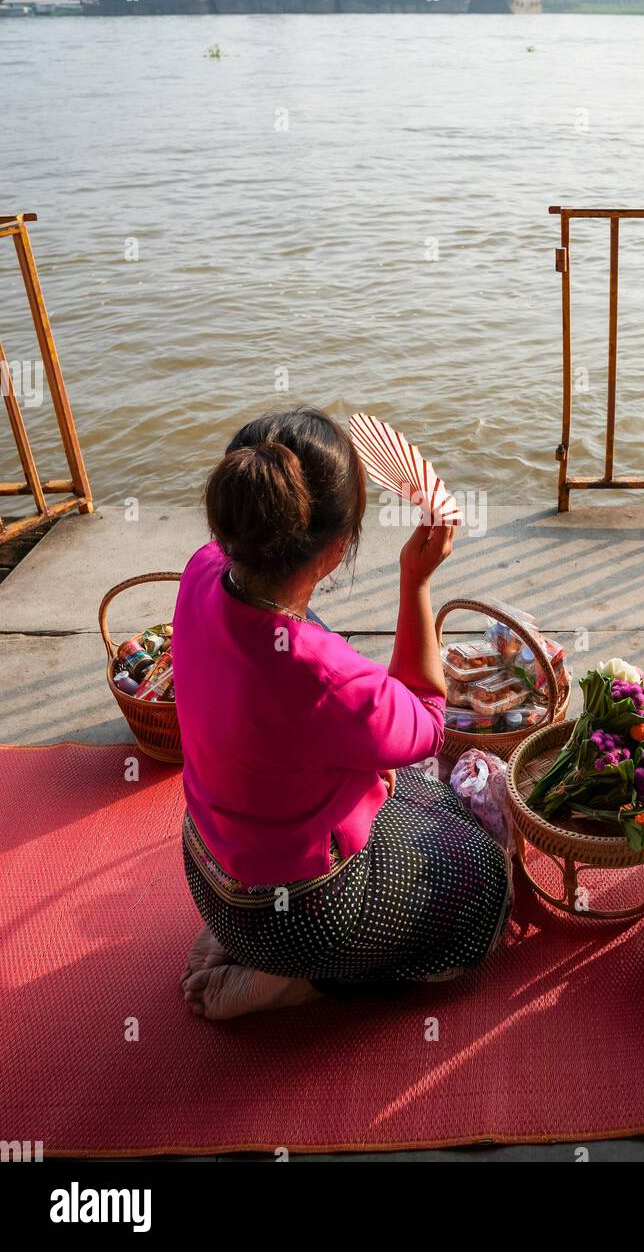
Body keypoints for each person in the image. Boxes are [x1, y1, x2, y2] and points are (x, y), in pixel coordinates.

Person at [173, 407, 512, 1020]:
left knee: (390, 774)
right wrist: (415, 581)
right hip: (296, 916)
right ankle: (298, 979)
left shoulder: (200, 571)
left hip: (209, 868)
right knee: (484, 880)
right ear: (336, 549)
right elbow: (429, 721)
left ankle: (236, 932)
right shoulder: (322, 674)